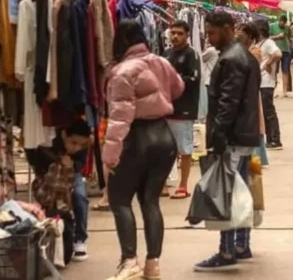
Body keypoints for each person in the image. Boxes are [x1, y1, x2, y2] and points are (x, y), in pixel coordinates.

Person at [102, 19, 185, 280]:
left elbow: (119, 118)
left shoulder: (122, 72)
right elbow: (179, 87)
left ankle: (129, 262)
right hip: (163, 136)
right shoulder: (160, 62)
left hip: (136, 138)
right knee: (150, 201)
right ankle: (152, 264)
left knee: (119, 199)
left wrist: (109, 156)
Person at [195, 11, 261, 272]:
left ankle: (227, 250)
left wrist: (218, 135)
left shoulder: (232, 58)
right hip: (242, 134)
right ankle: (241, 244)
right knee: (240, 189)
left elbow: (228, 102)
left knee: (228, 192)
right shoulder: (242, 55)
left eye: (212, 32)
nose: (209, 38)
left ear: (226, 28)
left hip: (233, 136)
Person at [29, 118, 93, 262]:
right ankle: (46, 236)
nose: (76, 148)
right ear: (64, 135)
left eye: (81, 145)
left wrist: (72, 164)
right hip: (49, 173)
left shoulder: (82, 147)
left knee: (80, 197)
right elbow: (36, 158)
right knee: (46, 198)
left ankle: (80, 238)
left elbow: (81, 164)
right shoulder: (50, 138)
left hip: (72, 173)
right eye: (73, 143)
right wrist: (56, 163)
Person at [164, 20, 202, 200]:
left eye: (179, 33)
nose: (175, 36)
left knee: (184, 149)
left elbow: (193, 79)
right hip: (166, 109)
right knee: (164, 149)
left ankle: (183, 185)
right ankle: (163, 184)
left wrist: (173, 79)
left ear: (187, 35)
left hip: (184, 110)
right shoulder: (166, 53)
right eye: (173, 33)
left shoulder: (191, 54)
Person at [237, 22, 269, 167]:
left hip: (251, 92)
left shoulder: (254, 51)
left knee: (254, 122)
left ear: (250, 37)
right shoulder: (240, 50)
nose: (238, 36)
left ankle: (256, 158)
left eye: (242, 34)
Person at [257, 21, 284, 150]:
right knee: (265, 111)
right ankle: (270, 139)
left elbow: (278, 54)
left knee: (269, 111)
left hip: (266, 82)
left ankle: (275, 139)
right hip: (262, 81)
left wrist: (268, 64)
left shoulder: (268, 43)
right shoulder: (261, 43)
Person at [270, 15, 293, 97]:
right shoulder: (272, 26)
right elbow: (268, 37)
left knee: (285, 71)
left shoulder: (287, 28)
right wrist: (278, 36)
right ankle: (273, 91)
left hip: (286, 51)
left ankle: (285, 92)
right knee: (274, 71)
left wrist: (290, 45)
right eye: (281, 22)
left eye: (284, 23)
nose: (282, 24)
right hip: (275, 51)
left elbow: (290, 37)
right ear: (279, 21)